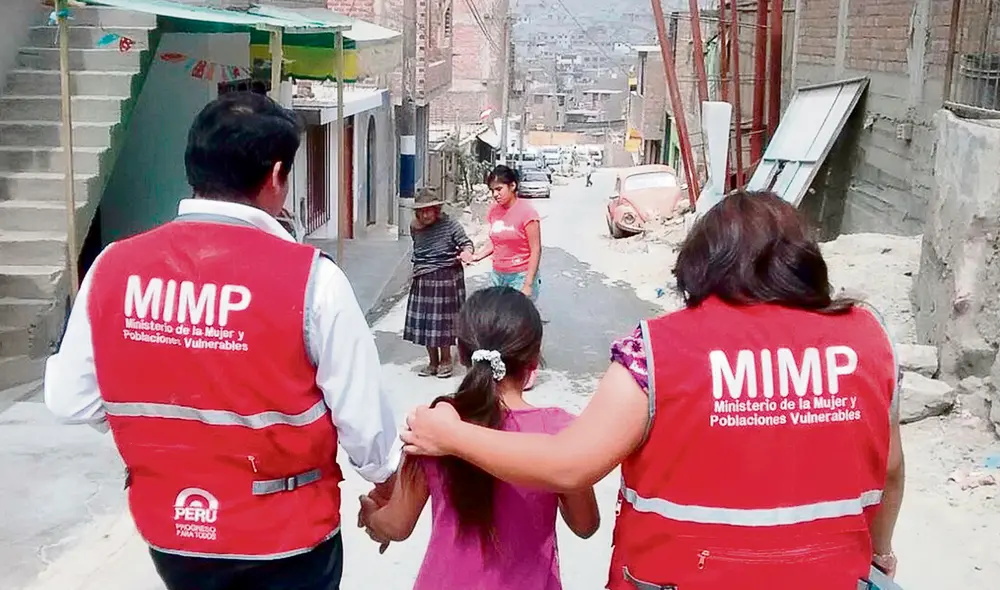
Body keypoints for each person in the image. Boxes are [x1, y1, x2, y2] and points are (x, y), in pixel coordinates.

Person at [402, 191, 905, 590]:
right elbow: (890, 470)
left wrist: (451, 435)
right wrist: (878, 551)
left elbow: (570, 464)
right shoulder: (868, 337)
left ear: (702, 265)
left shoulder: (656, 352)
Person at [43, 92, 401, 590]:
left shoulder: (111, 267)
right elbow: (364, 423)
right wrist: (387, 483)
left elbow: (69, 400)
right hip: (286, 537)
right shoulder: (313, 282)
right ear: (276, 175)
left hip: (173, 534)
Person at [359, 286, 599, 589]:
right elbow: (585, 524)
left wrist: (373, 518)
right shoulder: (558, 432)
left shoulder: (434, 426)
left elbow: (397, 524)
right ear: (534, 358)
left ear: (462, 353)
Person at [469, 164, 542, 388]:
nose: (495, 194)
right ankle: (504, 368)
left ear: (513, 186)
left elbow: (536, 249)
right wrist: (478, 255)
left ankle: (529, 368)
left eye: (499, 188)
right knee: (498, 324)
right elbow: (496, 238)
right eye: (492, 190)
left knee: (521, 324)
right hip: (498, 274)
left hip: (521, 274)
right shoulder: (494, 211)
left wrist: (528, 283)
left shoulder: (528, 213)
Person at [404, 187, 474, 378]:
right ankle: (432, 362)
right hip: (424, 279)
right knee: (427, 323)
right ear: (417, 212)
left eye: (430, 209)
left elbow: (466, 243)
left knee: (444, 323)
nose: (426, 214)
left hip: (447, 279)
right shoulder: (414, 227)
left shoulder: (451, 225)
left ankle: (445, 360)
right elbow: (419, 250)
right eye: (422, 210)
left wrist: (466, 253)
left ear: (437, 209)